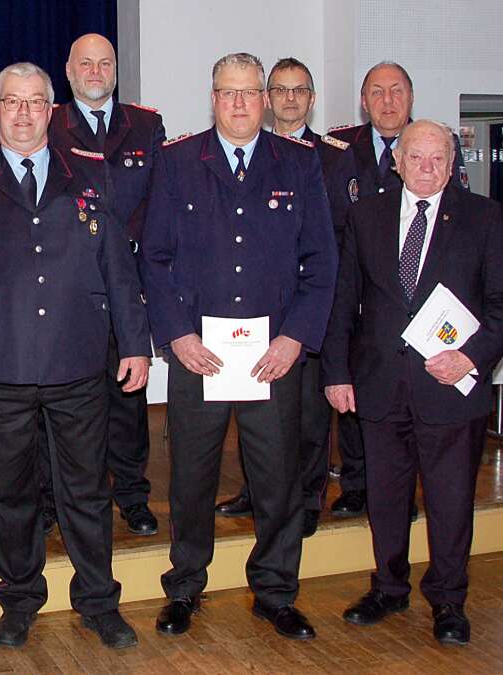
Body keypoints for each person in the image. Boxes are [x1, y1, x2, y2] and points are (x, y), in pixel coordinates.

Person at [0, 61, 150, 651]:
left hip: (78, 359)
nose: (23, 113)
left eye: (34, 102)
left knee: (86, 491)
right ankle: (20, 599)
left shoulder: (91, 173)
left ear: (52, 110)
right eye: (12, 102)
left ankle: (98, 601)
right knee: (9, 493)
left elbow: (118, 267)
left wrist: (135, 344)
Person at [140, 52, 337, 641]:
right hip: (199, 354)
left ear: (265, 100)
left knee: (277, 480)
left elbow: (321, 261)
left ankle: (275, 592)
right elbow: (154, 257)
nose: (239, 103)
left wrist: (295, 338)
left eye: (250, 92)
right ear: (213, 99)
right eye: (228, 93)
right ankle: (184, 587)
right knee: (192, 478)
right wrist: (177, 335)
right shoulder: (177, 162)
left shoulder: (298, 164)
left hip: (270, 357)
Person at [323, 119, 503, 647]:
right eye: (416, 157)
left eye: (438, 158)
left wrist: (469, 358)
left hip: (450, 390)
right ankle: (388, 587)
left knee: (451, 503)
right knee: (385, 499)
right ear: (397, 163)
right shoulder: (366, 214)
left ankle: (448, 600)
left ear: (452, 164)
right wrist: (336, 372)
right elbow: (344, 299)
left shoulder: (485, 218)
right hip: (379, 386)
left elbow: (500, 305)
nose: (426, 168)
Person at [214, 57, 357, 537]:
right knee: (253, 408)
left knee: (309, 414)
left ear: (311, 100)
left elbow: (338, 240)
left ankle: (307, 498)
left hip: (307, 306)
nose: (289, 98)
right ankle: (256, 491)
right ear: (267, 99)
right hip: (256, 307)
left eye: (299, 90)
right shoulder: (250, 152)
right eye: (280, 90)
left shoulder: (332, 158)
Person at [326, 62, 463, 517]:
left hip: (428, 310)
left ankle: (405, 494)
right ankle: (357, 485)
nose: (388, 101)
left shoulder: (437, 146)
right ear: (363, 101)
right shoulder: (339, 150)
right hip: (364, 298)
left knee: (423, 415)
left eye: (397, 91)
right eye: (377, 92)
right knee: (361, 402)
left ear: (411, 97)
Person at [45, 32, 165, 537]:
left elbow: (159, 202)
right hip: (66, 284)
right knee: (63, 397)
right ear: (68, 71)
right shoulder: (48, 122)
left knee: (128, 395)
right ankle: (55, 499)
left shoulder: (146, 124)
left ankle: (132, 494)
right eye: (85, 64)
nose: (95, 72)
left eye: (105, 63)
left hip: (127, 280)